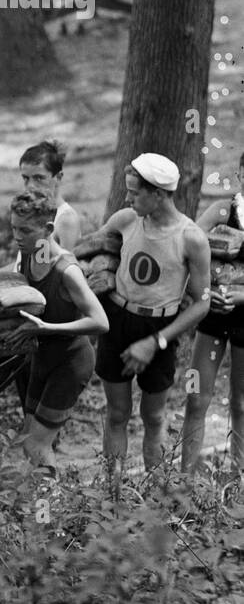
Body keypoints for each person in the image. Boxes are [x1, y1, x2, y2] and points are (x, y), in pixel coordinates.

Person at [92, 154, 211, 473]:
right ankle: (112, 498)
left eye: (134, 192)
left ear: (158, 194)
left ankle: (156, 500)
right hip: (118, 319)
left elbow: (202, 302)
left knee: (154, 417)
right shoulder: (125, 220)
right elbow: (93, 249)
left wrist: (155, 342)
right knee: (116, 413)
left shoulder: (191, 238)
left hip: (160, 327)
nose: (127, 198)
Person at [2, 189, 109, 472]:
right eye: (13, 228)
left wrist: (47, 328)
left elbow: (101, 322)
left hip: (70, 363)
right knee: (29, 440)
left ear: (48, 228)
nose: (17, 236)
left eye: (24, 230)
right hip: (41, 359)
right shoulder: (28, 253)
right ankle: (39, 506)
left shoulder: (66, 269)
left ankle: (48, 512)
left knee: (36, 444)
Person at [183, 151, 244, 472]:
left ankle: (239, 481)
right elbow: (189, 242)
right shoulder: (222, 210)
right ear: (240, 176)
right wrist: (207, 291)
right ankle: (183, 484)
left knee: (241, 404)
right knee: (196, 398)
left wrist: (239, 296)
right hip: (212, 318)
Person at [19, 140, 81, 251]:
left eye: (39, 178)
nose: (31, 186)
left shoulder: (66, 220)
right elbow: (25, 263)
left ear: (58, 177)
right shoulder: (36, 214)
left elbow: (69, 265)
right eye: (26, 178)